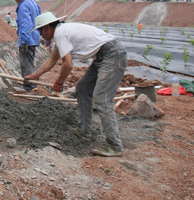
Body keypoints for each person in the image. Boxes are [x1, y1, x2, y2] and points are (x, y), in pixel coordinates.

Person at [25, 12, 126, 157]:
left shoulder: (60, 34)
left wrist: (59, 82)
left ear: (47, 27)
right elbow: (52, 60)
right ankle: (85, 132)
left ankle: (114, 145)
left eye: (41, 30)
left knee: (102, 99)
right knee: (83, 89)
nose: (41, 35)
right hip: (104, 55)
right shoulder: (61, 33)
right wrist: (33, 76)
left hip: (112, 54)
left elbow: (68, 64)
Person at [6, 0, 41, 91]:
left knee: (26, 63)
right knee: (30, 61)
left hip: (28, 38)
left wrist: (25, 41)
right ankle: (32, 84)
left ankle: (29, 87)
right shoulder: (33, 3)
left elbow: (25, 24)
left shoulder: (23, 6)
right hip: (34, 37)